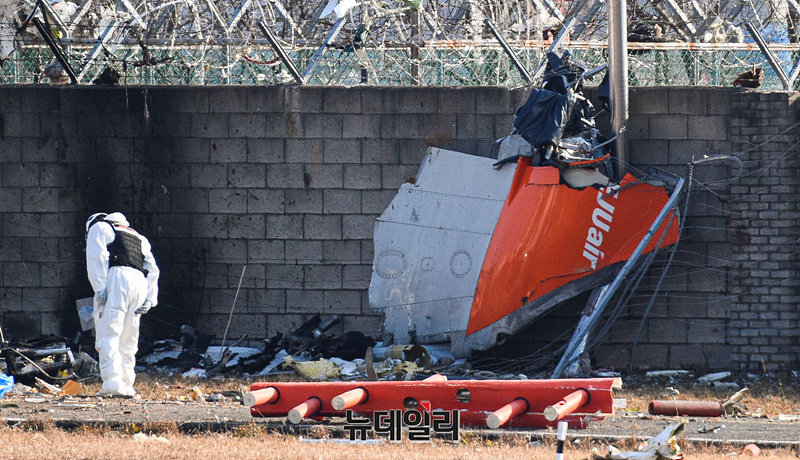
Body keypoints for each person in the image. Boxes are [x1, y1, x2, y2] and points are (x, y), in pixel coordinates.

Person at [85, 212, 159, 397]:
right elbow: (152, 269)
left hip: (116, 279)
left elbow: (97, 257)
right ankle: (126, 383)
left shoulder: (100, 227)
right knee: (128, 338)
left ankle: (112, 382)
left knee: (108, 332)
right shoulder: (139, 237)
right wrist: (150, 297)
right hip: (139, 283)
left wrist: (99, 288)